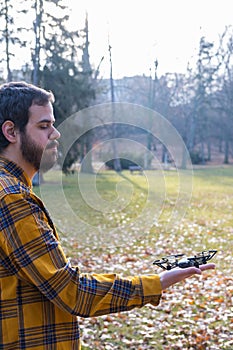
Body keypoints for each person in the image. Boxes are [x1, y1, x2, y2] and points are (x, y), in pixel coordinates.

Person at [0, 81, 215, 349]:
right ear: (11, 131)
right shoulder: (12, 199)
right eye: (43, 126)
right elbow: (73, 292)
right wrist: (156, 283)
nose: (55, 133)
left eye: (53, 124)